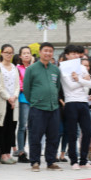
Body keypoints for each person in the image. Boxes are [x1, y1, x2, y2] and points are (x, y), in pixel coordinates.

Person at [23, 42, 63, 172]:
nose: (48, 53)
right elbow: (27, 89)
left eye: (50, 51)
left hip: (53, 108)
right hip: (38, 108)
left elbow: (57, 87)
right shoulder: (31, 69)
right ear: (40, 52)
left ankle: (51, 161)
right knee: (35, 135)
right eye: (45, 50)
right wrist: (35, 101)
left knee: (53, 136)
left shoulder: (55, 70)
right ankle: (35, 161)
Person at [60, 44, 91, 170]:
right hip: (70, 102)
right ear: (67, 55)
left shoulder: (82, 67)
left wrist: (78, 79)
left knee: (88, 132)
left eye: (77, 53)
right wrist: (82, 80)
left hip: (83, 102)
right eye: (72, 53)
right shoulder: (63, 68)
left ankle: (84, 160)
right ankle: (74, 161)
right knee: (72, 133)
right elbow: (70, 86)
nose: (75, 56)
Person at [0, 44, 20, 165]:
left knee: (11, 128)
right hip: (2, 102)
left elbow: (17, 85)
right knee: (1, 129)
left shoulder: (14, 67)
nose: (9, 55)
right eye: (6, 52)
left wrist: (14, 97)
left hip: (13, 102)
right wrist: (8, 97)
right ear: (2, 53)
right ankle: (2, 154)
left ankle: (8, 153)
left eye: (11, 52)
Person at [15, 46, 32, 163]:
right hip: (23, 99)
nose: (26, 55)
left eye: (28, 53)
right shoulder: (17, 68)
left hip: (34, 100)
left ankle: (32, 151)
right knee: (22, 126)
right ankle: (21, 151)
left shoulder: (34, 68)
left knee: (32, 127)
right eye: (24, 53)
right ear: (20, 56)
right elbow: (19, 83)